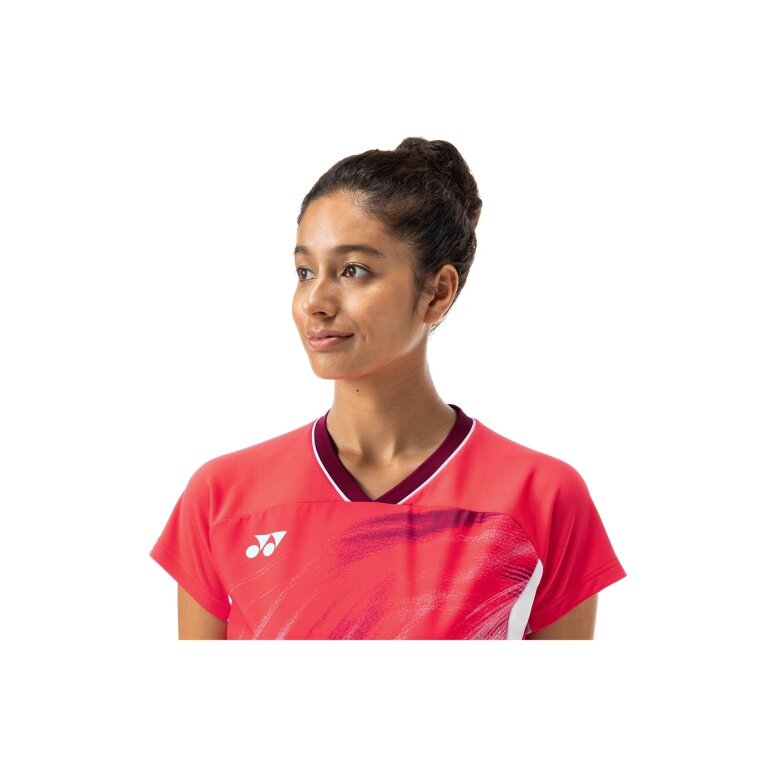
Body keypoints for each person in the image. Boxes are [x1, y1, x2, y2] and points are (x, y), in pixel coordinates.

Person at [150, 137, 626, 640]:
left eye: (353, 270)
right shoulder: (221, 497)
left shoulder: (543, 498)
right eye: (305, 272)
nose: (315, 301)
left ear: (438, 292)